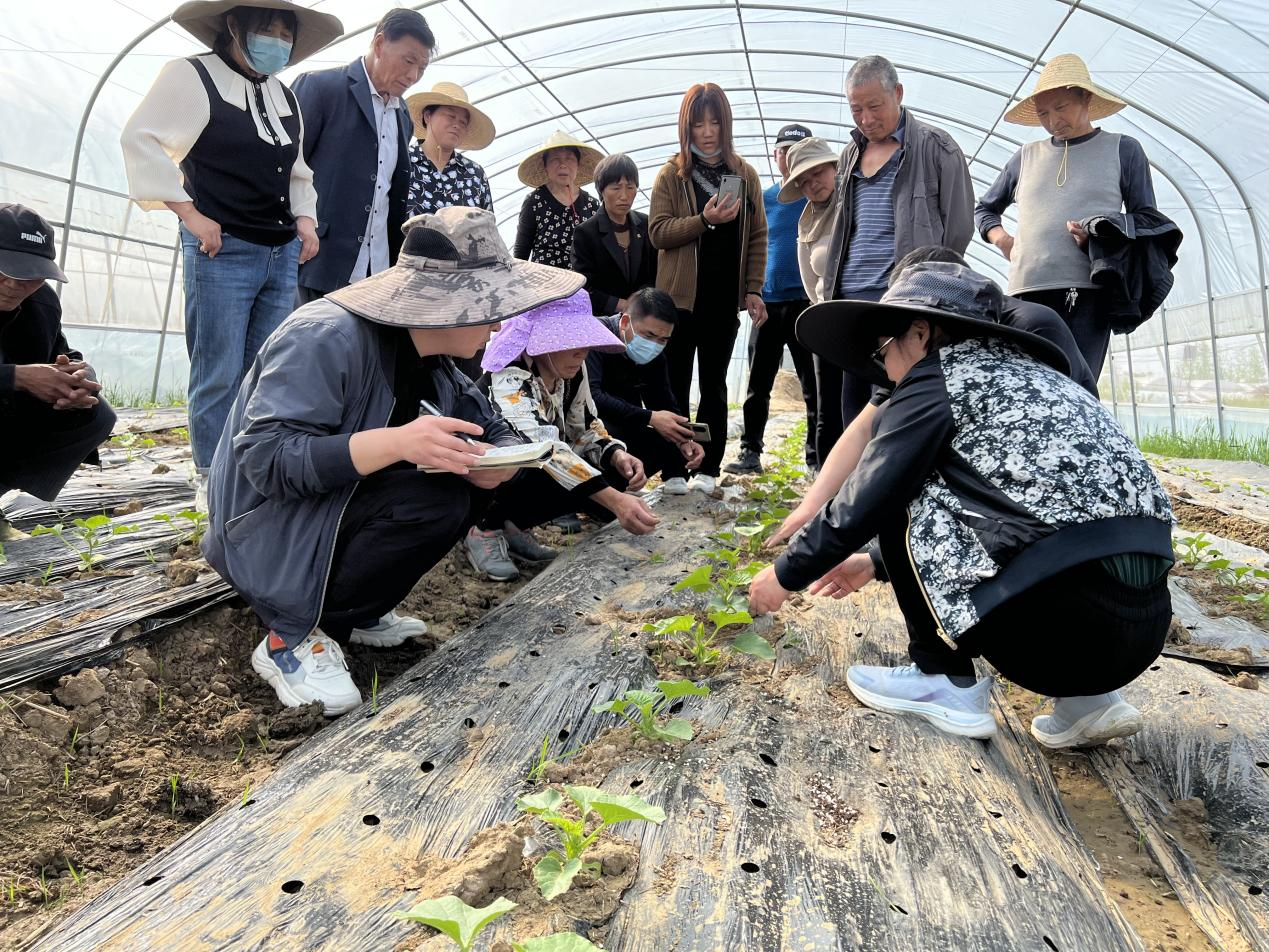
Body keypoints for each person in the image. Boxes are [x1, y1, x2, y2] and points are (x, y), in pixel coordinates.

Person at [750, 262, 1173, 747]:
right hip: (1143, 628)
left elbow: (867, 498)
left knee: (903, 480)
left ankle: (942, 678)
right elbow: (1028, 513)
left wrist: (784, 576)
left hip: (1053, 633)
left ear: (920, 332)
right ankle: (1087, 701)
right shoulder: (1034, 377)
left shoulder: (938, 378)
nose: (885, 369)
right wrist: (875, 562)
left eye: (883, 351)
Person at [203, 207, 582, 716]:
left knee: (453, 493)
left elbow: (488, 422)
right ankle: (291, 638)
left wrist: (500, 462)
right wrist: (399, 443)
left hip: (325, 514)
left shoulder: (433, 361)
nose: (496, 323)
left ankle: (353, 610)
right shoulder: (327, 337)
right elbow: (266, 460)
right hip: (266, 534)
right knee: (435, 496)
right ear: (445, 302)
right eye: (487, 304)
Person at [121, 0, 341, 496]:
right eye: (268, 29)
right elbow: (141, 139)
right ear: (233, 27)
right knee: (217, 370)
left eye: (286, 33)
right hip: (223, 249)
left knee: (262, 370)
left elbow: (297, 170)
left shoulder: (284, 96)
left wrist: (306, 220)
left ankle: (247, 471)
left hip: (278, 251)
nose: (278, 41)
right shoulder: (192, 75)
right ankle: (209, 478)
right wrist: (192, 216)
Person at [769, 244, 1097, 551]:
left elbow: (1046, 439)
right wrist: (811, 507)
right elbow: (865, 428)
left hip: (1064, 482)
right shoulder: (916, 346)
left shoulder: (1032, 327)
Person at [816, 54, 974, 469]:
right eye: (856, 109)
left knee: (900, 403)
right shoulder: (851, 154)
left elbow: (957, 231)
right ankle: (856, 494)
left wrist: (928, 287)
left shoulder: (937, 148)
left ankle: (899, 496)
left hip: (901, 302)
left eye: (874, 106)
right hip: (853, 301)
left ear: (898, 94)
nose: (866, 118)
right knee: (855, 407)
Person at [975, 53, 1160, 381]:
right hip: (1025, 294)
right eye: (1044, 113)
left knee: (1077, 387)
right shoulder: (1025, 157)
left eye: (1061, 107)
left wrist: (1101, 237)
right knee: (1028, 388)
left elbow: (1146, 221)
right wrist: (1002, 240)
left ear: (1085, 97)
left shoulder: (1122, 149)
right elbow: (985, 209)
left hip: (1086, 293)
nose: (1052, 120)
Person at [467, 290, 660, 581]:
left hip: (537, 465)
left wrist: (617, 454)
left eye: (584, 342)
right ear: (541, 343)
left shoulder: (570, 371)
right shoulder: (509, 376)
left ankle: (512, 525)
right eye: (571, 342)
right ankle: (483, 528)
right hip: (484, 481)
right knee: (543, 465)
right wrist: (617, 501)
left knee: (602, 467)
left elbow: (586, 424)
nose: (581, 352)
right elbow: (546, 448)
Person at [649, 83, 768, 494]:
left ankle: (708, 468)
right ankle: (674, 469)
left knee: (714, 386)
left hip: (721, 301)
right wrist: (704, 219)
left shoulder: (744, 175)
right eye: (698, 123)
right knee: (676, 385)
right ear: (687, 126)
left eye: (715, 121)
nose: (707, 131)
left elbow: (757, 237)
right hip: (679, 304)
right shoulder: (672, 174)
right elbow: (659, 232)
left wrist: (752, 289)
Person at [291, 8, 435, 303]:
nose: (413, 75)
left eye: (422, 68)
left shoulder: (403, 115)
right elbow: (286, 169)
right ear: (380, 44)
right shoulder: (321, 88)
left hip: (377, 273)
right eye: (409, 61)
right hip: (317, 262)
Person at [0, 205, 115, 539]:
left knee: (97, 415)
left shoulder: (42, 303)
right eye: (4, 268)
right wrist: (17, 376)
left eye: (28, 275)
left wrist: (79, 377)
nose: (13, 284)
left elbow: (62, 353)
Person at [726, 123, 818, 476]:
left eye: (796, 151)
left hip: (806, 305)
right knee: (758, 385)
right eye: (783, 150)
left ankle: (815, 458)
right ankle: (750, 452)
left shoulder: (818, 197)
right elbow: (749, 247)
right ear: (774, 155)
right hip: (766, 304)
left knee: (813, 387)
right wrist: (750, 292)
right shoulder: (763, 199)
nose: (788, 157)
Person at [586, 287, 705, 482]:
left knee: (666, 442)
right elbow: (592, 397)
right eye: (648, 336)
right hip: (586, 425)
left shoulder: (655, 354)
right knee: (607, 431)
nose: (654, 345)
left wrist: (684, 440)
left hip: (624, 423)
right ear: (625, 322)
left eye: (663, 340)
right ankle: (593, 499)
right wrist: (650, 417)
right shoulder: (597, 335)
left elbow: (663, 399)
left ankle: (614, 496)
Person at [570, 152, 656, 317]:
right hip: (604, 320)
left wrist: (640, 299)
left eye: (630, 187)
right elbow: (583, 286)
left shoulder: (645, 224)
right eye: (616, 188)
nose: (624, 196)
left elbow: (654, 271)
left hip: (643, 316)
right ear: (601, 190)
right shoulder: (586, 233)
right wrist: (621, 305)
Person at [404, 81, 495, 217]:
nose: (457, 125)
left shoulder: (474, 174)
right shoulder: (403, 162)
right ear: (427, 116)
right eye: (450, 116)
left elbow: (486, 228)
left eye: (463, 122)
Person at [514, 131, 602, 269]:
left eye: (569, 158)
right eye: (555, 159)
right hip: (546, 282)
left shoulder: (592, 204)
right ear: (546, 166)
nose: (562, 165)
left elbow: (599, 249)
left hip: (583, 281)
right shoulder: (534, 201)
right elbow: (521, 252)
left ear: (578, 164)